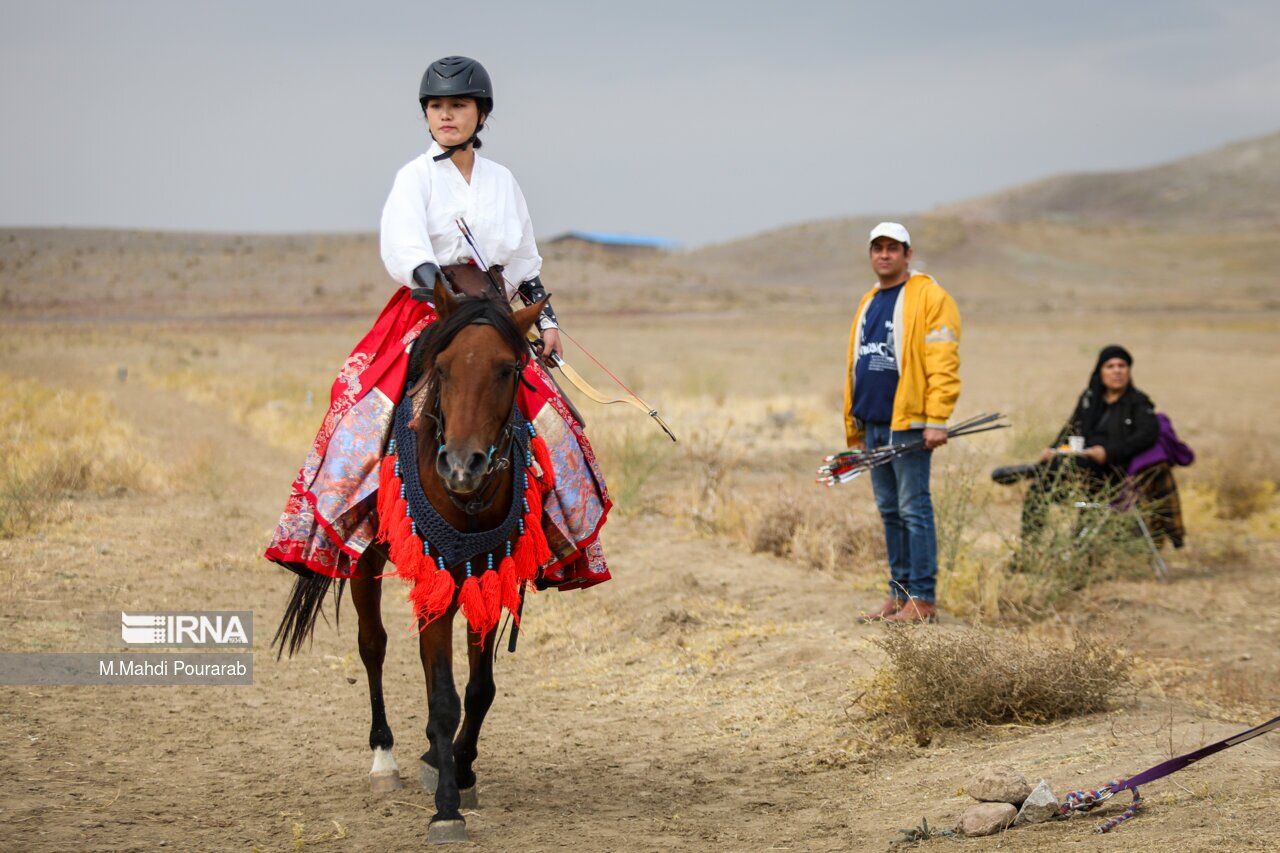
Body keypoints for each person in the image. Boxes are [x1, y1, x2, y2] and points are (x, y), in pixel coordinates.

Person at [265, 56, 611, 594]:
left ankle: (553, 542)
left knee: (558, 425)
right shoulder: (415, 177)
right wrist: (450, 301)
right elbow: (405, 249)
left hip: (495, 312)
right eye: (436, 106)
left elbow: (524, 261)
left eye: (458, 105)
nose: (446, 115)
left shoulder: (503, 181)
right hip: (432, 308)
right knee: (358, 412)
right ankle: (342, 527)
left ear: (481, 114)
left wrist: (546, 322)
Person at [844, 223, 961, 624]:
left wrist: (937, 418)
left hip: (909, 423)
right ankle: (899, 594)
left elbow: (943, 361)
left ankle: (923, 599)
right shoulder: (870, 300)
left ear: (907, 254)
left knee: (914, 509)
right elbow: (857, 363)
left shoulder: (930, 297)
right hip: (873, 423)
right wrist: (856, 428)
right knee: (891, 511)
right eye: (877, 248)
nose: (884, 254)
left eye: (893, 248)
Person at [1016, 345, 1158, 547]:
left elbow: (1148, 435)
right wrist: (1053, 449)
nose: (1117, 371)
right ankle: (1028, 547)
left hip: (1112, 472)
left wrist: (1108, 452)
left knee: (1062, 469)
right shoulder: (1090, 399)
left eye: (1122, 366)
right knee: (1038, 489)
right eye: (1110, 366)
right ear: (1100, 371)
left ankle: (1030, 471)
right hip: (1081, 465)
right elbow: (1071, 428)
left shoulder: (1138, 403)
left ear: (1129, 371)